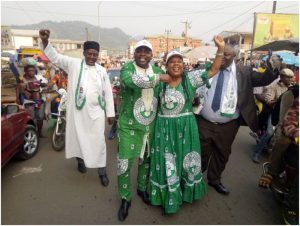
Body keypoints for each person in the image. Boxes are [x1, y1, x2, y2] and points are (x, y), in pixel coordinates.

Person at [149, 36, 225, 214]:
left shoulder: (190, 79)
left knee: (185, 161)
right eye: (172, 62)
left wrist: (220, 49)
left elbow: (213, 69)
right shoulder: (159, 82)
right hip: (164, 130)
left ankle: (184, 192)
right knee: (167, 162)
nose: (176, 64)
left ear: (183, 65)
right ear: (166, 66)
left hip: (186, 129)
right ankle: (168, 197)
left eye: (179, 62)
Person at [195, 44, 280, 195]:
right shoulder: (207, 69)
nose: (222, 57)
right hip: (204, 122)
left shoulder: (244, 72)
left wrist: (272, 68)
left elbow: (263, 79)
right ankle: (194, 179)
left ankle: (214, 180)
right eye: (220, 53)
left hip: (229, 125)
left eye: (226, 55)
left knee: (222, 154)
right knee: (200, 152)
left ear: (234, 56)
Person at [39, 29, 115, 186]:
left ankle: (102, 171)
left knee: (99, 142)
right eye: (89, 53)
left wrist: (110, 113)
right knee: (78, 139)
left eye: (95, 54)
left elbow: (107, 93)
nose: (92, 57)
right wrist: (46, 41)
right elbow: (55, 57)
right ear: (84, 52)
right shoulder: (73, 64)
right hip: (78, 113)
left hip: (96, 114)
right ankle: (80, 162)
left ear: (98, 54)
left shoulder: (102, 71)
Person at [117, 40, 167, 221]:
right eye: (139, 51)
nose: (143, 54)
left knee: (146, 160)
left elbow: (165, 93)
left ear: (152, 55)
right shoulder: (127, 69)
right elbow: (131, 82)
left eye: (147, 51)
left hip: (151, 126)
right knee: (124, 162)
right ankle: (125, 197)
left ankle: (141, 188)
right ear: (134, 54)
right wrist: (159, 78)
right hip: (128, 125)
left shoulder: (158, 71)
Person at [251, 68, 295, 163]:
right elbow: (269, 101)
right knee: (270, 132)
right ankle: (256, 153)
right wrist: (280, 100)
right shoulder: (273, 86)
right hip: (274, 112)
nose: (290, 79)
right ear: (282, 77)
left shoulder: (293, 88)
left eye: (291, 77)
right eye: (287, 77)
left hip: (288, 114)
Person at [17, 64, 47, 137]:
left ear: (35, 71)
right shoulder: (23, 79)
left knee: (40, 118)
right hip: (29, 102)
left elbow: (44, 86)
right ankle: (32, 133)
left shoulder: (38, 78)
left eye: (33, 70)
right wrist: (18, 98)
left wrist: (43, 86)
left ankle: (39, 133)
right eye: (29, 71)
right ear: (26, 72)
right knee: (31, 118)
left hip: (38, 100)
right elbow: (18, 89)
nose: (31, 72)